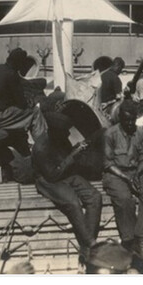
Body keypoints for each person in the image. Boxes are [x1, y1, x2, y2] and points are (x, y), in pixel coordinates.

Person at [32, 109, 102, 260]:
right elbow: (52, 175)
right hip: (49, 181)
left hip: (65, 174)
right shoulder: (41, 147)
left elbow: (66, 158)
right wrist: (73, 155)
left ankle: (86, 246)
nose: (68, 134)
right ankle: (91, 243)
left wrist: (77, 150)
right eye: (65, 131)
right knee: (73, 203)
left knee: (95, 197)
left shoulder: (60, 137)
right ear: (54, 131)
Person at [102, 99, 143, 261]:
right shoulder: (110, 134)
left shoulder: (140, 133)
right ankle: (128, 241)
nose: (129, 123)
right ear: (120, 118)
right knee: (124, 199)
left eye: (132, 120)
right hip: (116, 173)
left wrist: (137, 174)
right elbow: (108, 163)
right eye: (126, 120)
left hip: (137, 171)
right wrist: (126, 178)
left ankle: (141, 239)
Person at [0, 47, 46, 139]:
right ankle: (42, 144)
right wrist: (30, 101)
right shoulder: (11, 74)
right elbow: (22, 103)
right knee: (34, 112)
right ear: (19, 64)